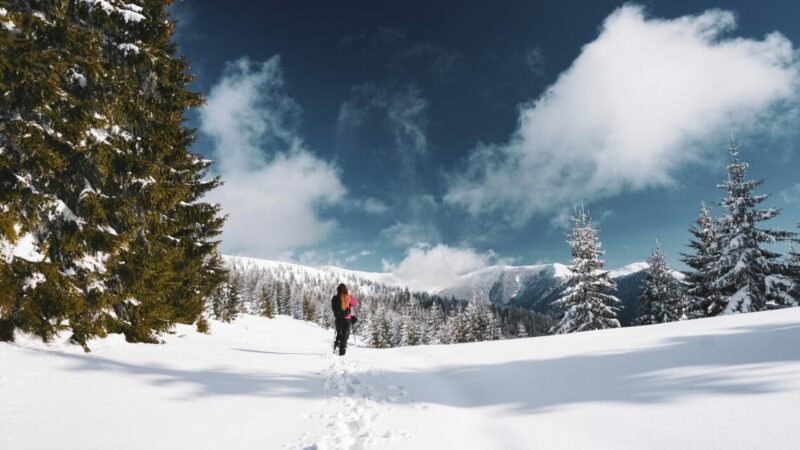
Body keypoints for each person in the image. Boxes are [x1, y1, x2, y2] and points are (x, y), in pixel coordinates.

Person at [331, 283, 357, 356]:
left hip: (338, 319)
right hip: (347, 319)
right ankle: (342, 353)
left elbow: (334, 309)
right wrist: (350, 296)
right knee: (345, 337)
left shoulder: (334, 298)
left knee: (339, 335)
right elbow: (354, 304)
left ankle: (335, 349)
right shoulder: (348, 297)